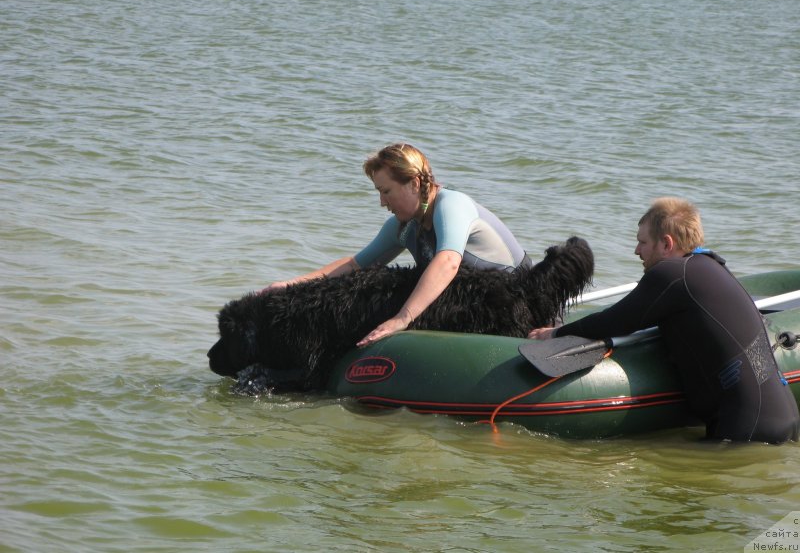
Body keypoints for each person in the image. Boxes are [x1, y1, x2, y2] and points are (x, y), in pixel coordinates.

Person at [528, 197, 799, 444]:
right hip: (782, 415)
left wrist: (555, 333)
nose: (636, 250)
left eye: (643, 242)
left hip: (746, 429)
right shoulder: (711, 267)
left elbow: (613, 321)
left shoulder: (672, 275)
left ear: (667, 244)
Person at [262, 142, 530, 348]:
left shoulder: (451, 205)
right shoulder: (403, 227)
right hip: (474, 305)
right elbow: (356, 264)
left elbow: (448, 261)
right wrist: (292, 285)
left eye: (386, 191)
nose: (382, 202)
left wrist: (403, 318)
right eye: (379, 192)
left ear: (414, 183)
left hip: (517, 300)